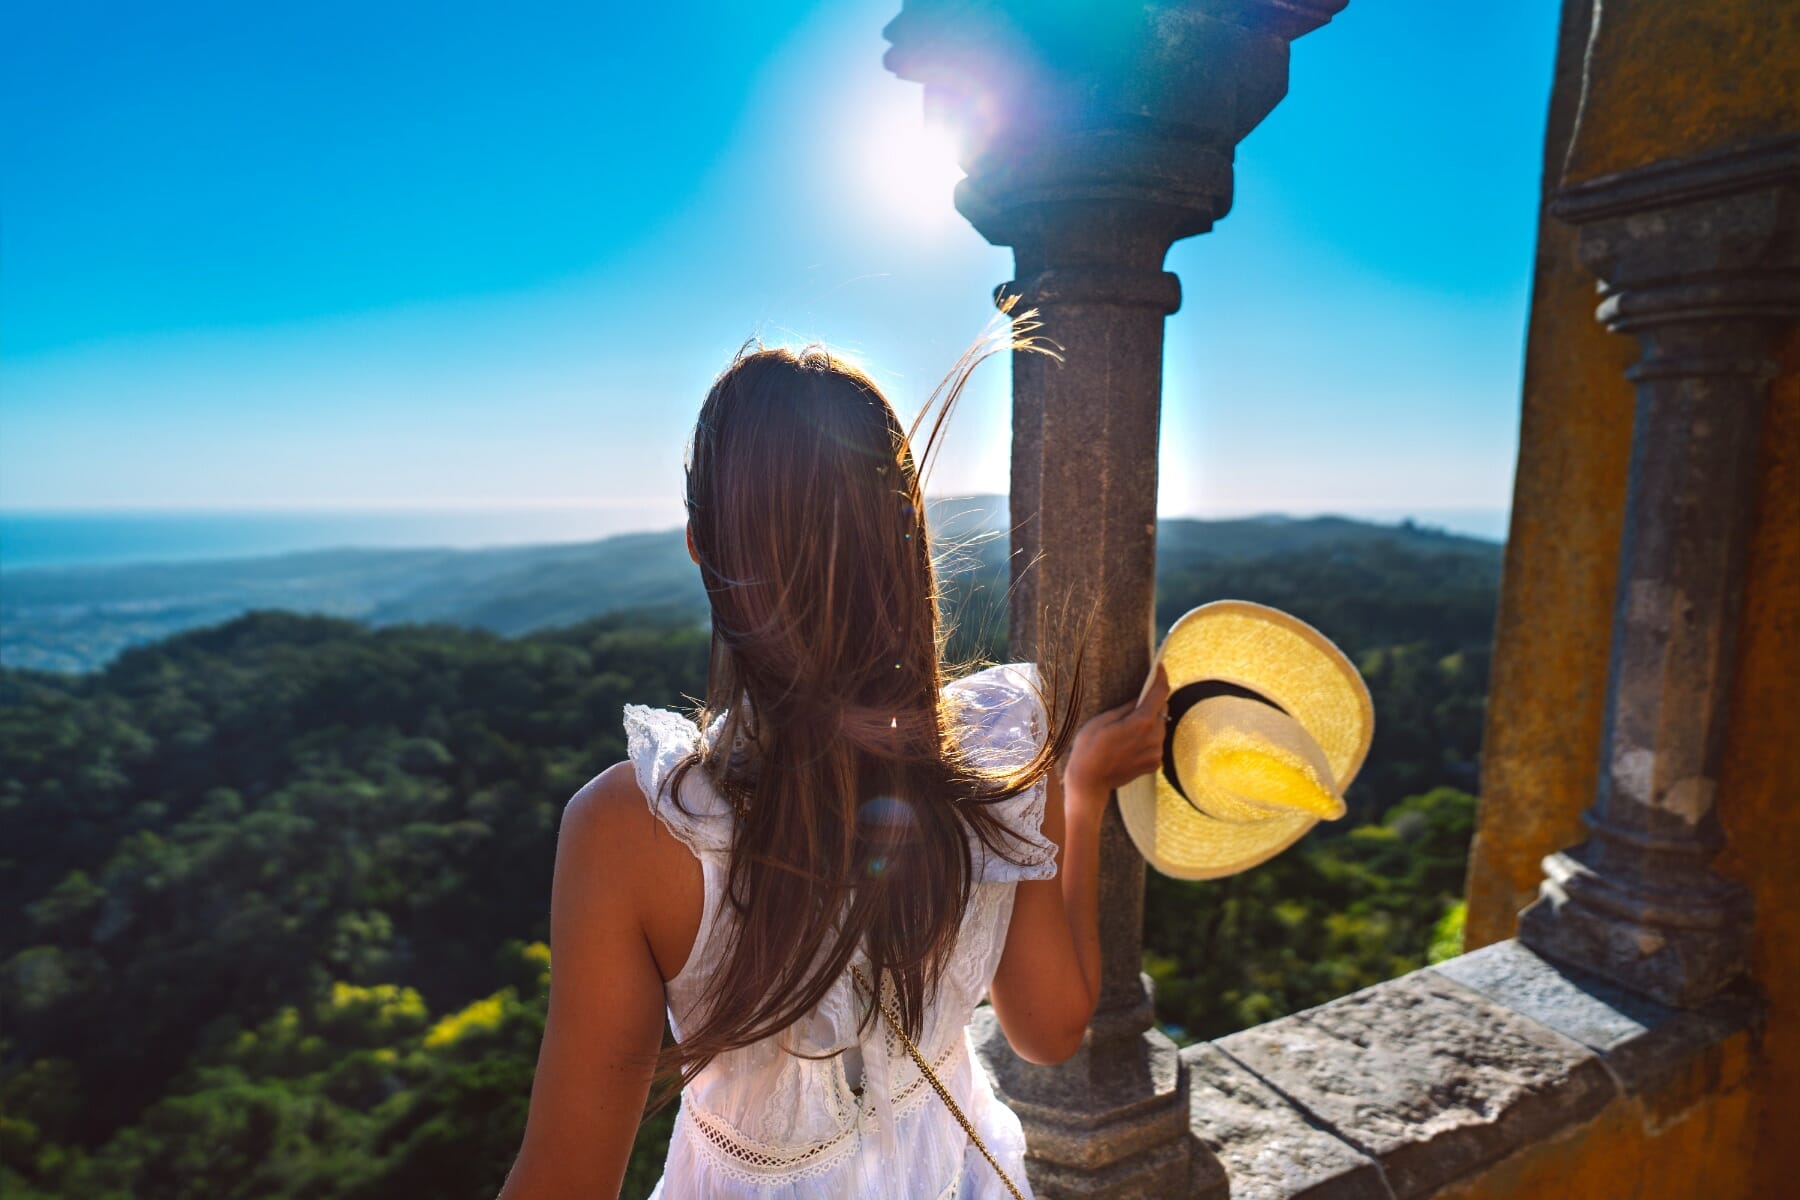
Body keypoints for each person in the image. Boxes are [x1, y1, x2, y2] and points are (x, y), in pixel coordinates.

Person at [497, 334, 1171, 1199]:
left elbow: (563, 1182)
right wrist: (1078, 795)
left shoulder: (632, 832)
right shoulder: (998, 761)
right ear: (906, 536)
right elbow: (1049, 1030)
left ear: (702, 547)